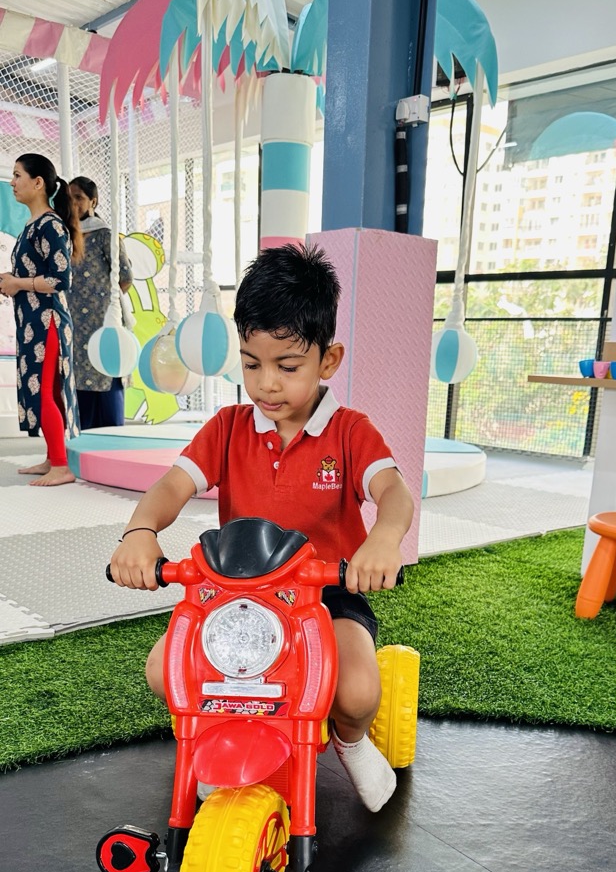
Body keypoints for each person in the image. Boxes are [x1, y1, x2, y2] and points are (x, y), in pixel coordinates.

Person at [110, 244, 414, 813]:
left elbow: (393, 492)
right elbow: (173, 486)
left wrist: (383, 539)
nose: (266, 384)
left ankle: (350, 743)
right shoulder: (227, 427)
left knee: (355, 691)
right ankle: (217, 739)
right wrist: (140, 531)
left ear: (329, 360)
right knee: (165, 670)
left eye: (287, 366)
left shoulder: (350, 431)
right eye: (252, 364)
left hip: (326, 595)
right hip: (236, 595)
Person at [0, 154, 83, 486]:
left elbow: (61, 280)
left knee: (47, 392)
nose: (12, 182)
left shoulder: (50, 225)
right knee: (46, 390)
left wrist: (17, 283)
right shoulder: (32, 227)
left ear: (38, 183)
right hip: (33, 321)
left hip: (48, 321)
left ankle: (61, 466)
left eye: (18, 175)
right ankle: (53, 458)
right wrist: (12, 281)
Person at [69, 176, 133, 430]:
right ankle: (84, 443)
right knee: (81, 381)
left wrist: (104, 302)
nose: (73, 204)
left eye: (79, 198)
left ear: (93, 201)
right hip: (75, 322)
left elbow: (125, 276)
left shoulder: (105, 233)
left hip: (103, 320)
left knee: (107, 372)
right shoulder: (66, 235)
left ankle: (111, 442)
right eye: (69, 198)